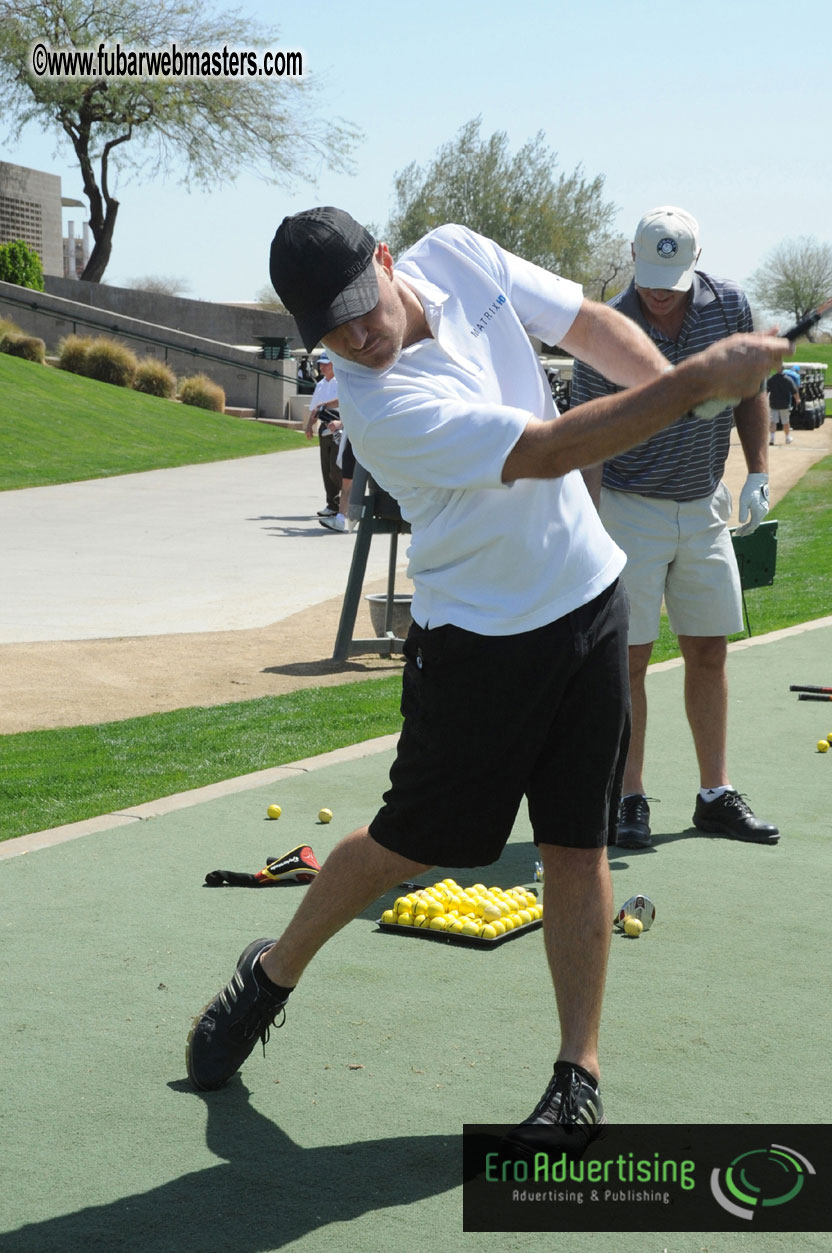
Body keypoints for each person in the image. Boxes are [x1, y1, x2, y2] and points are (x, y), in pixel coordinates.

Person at [186, 206, 786, 1140]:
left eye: (362, 307)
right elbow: (547, 451)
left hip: (592, 599)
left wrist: (677, 389)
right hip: (481, 641)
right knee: (407, 846)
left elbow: (588, 325)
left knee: (577, 847)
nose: (358, 337)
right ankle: (270, 975)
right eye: (331, 331)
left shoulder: (461, 255)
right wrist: (695, 386)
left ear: (388, 259)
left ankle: (578, 1071)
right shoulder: (378, 409)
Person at [570, 205, 780, 851]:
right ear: (634, 257)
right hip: (628, 506)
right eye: (652, 278)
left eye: (674, 281)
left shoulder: (729, 305)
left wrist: (758, 471)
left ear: (696, 263)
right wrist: (590, 523)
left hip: (704, 504)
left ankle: (715, 794)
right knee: (629, 657)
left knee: (709, 648)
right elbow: (589, 432)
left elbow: (751, 392)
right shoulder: (607, 323)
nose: (662, 294)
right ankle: (628, 796)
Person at [304, 353, 343, 525]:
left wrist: (326, 405)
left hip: (338, 426)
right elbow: (315, 408)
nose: (322, 367)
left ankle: (344, 502)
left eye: (326, 364)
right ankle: (332, 504)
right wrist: (309, 426)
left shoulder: (340, 382)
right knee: (326, 467)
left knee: (336, 467)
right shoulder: (320, 385)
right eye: (320, 364)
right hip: (324, 427)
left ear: (334, 364)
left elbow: (343, 401)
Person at [767, 365, 799, 445]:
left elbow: (766, 391)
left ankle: (772, 438)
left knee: (773, 421)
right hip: (784, 403)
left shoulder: (771, 379)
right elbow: (794, 391)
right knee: (785, 421)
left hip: (774, 403)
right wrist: (797, 400)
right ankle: (787, 438)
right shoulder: (788, 379)